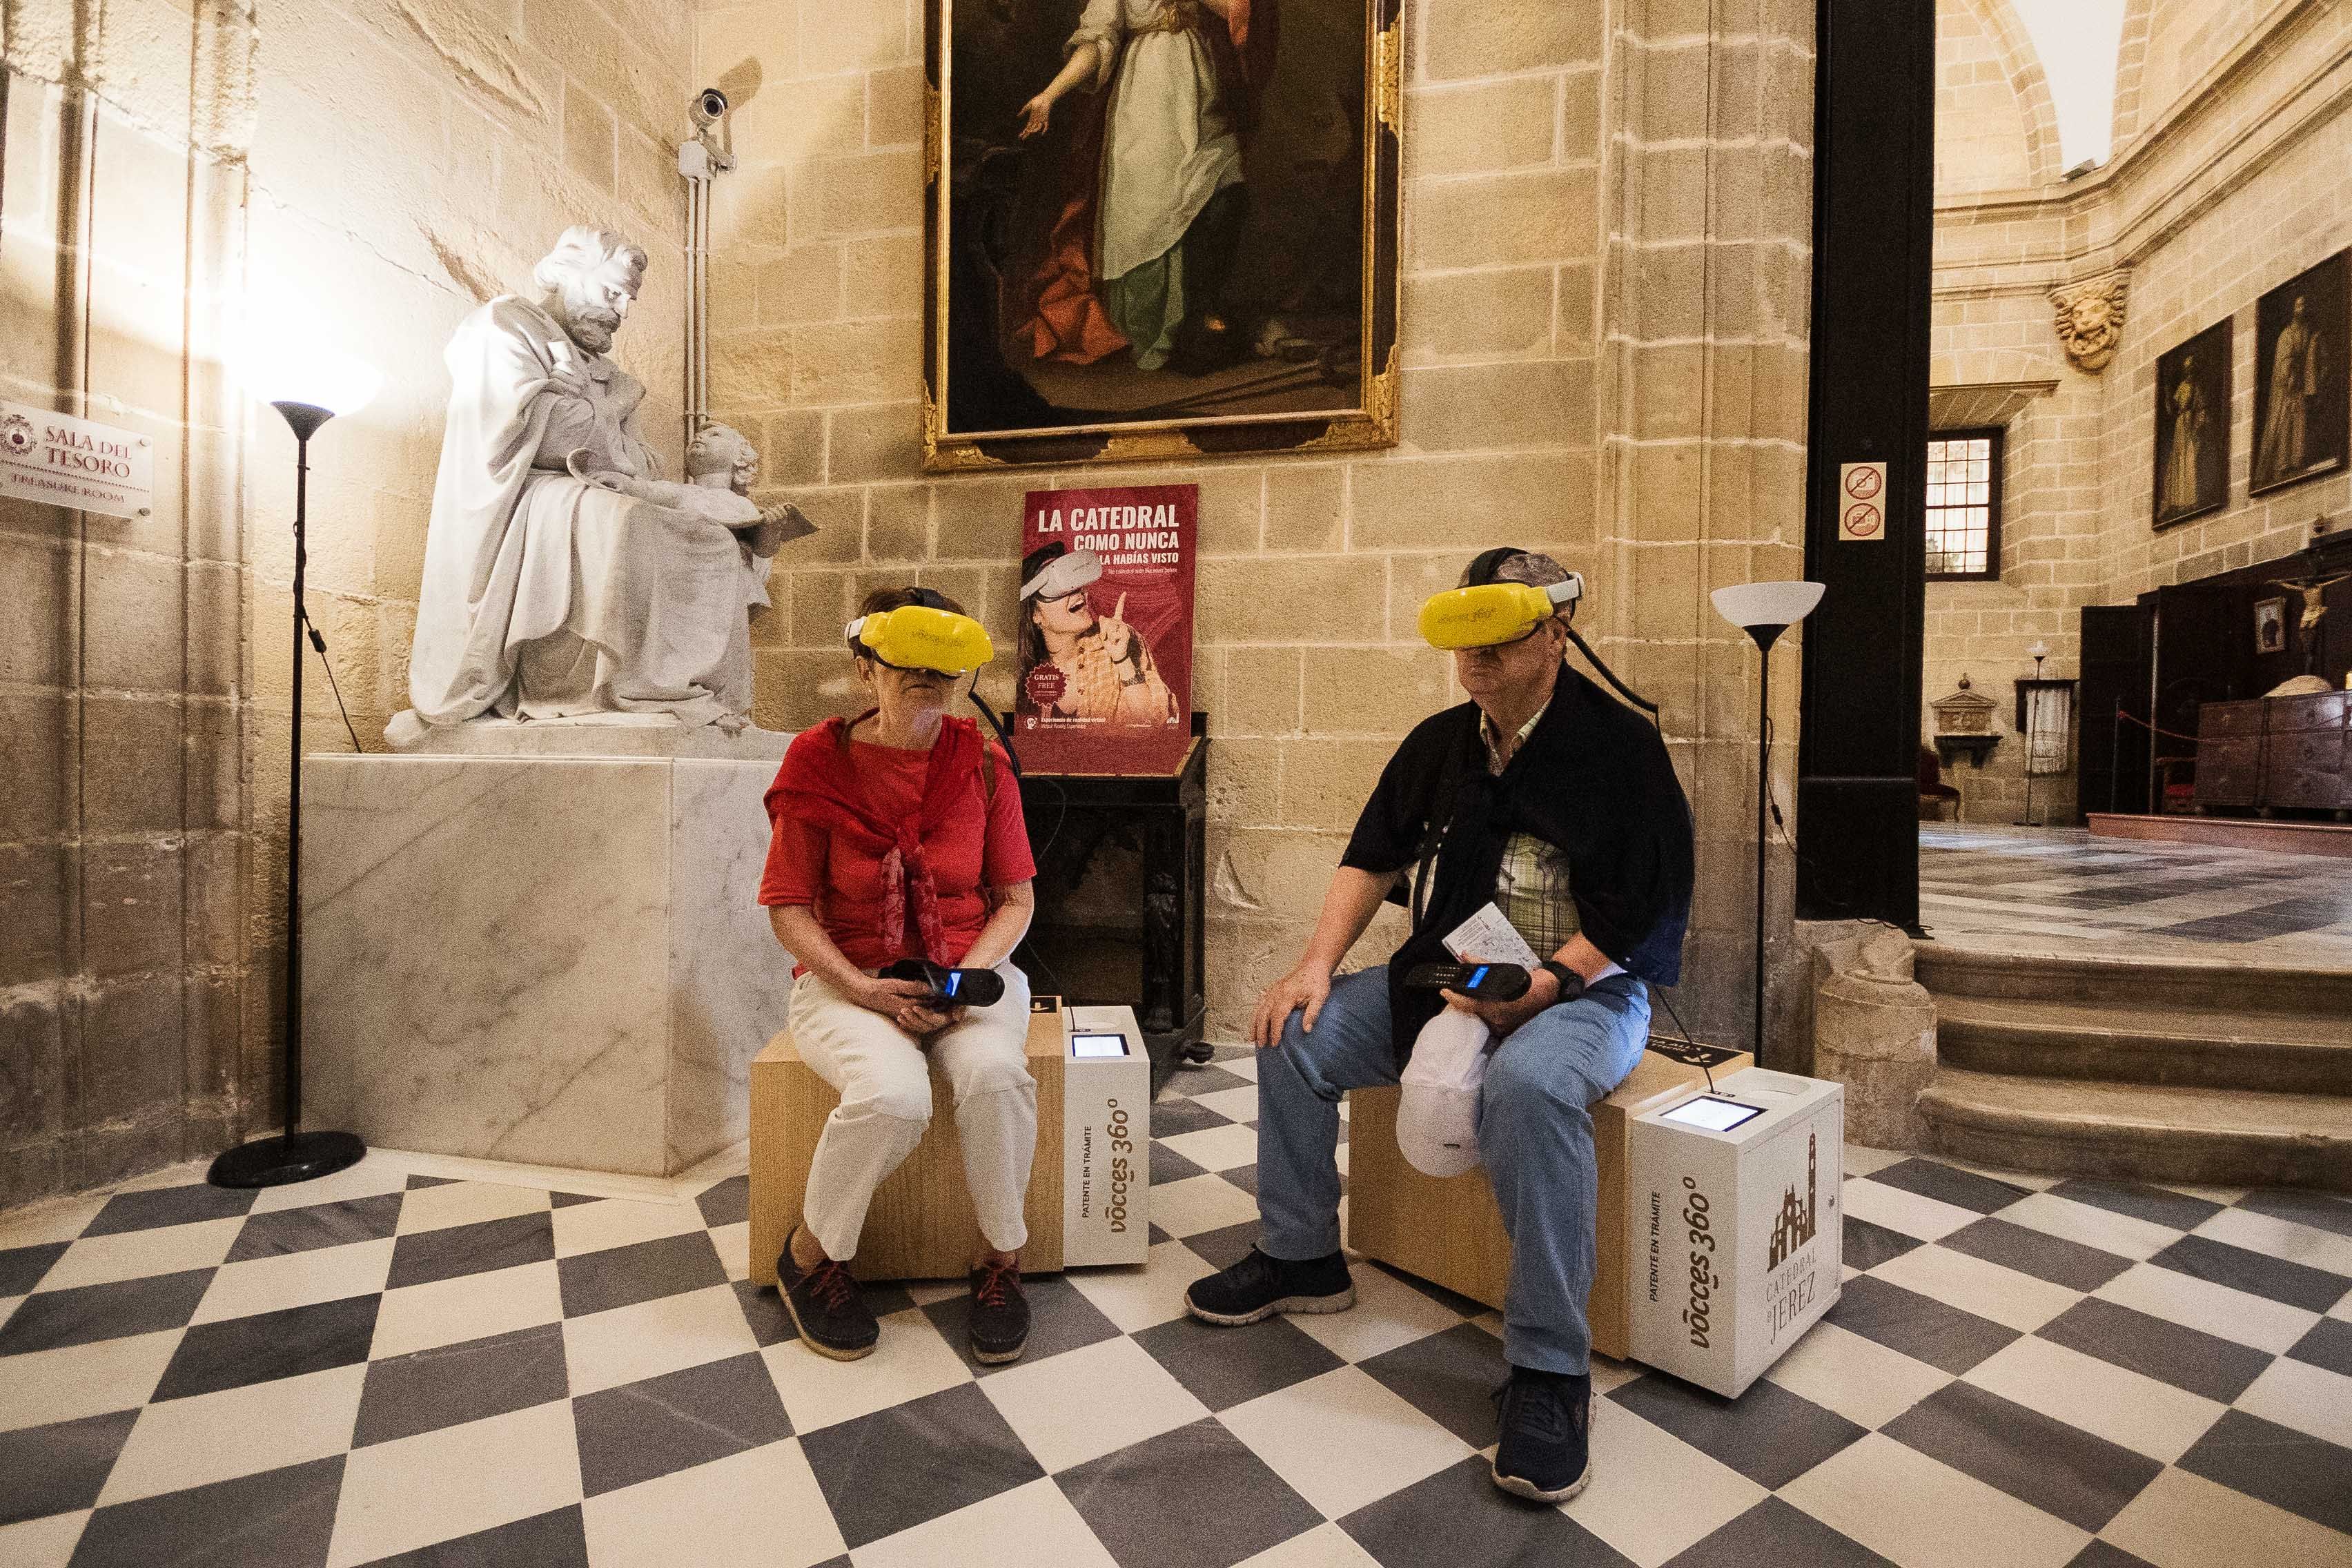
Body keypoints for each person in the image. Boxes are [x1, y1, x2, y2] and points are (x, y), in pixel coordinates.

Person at [1183, 548, 1694, 1504]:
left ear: (1555, 633)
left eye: (1498, 638)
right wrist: (1313, 968)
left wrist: (1546, 986)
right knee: (1294, 1036)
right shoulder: (1441, 741)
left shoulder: (1621, 748)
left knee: (1531, 1085)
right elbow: (1370, 858)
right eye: (1463, 639)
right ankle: (1301, 1254)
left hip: (1587, 991)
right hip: (1453, 979)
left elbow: (1646, 911)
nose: (1474, 659)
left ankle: (1548, 1370)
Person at [758, 587, 1041, 1364]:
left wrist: (963, 982)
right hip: (851, 975)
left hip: (968, 969)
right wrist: (862, 987)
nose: (924, 674)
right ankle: (812, 1255)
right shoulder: (818, 760)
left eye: (939, 664)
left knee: (994, 1075)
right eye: (904, 660)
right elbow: (787, 907)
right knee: (892, 1094)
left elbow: (1015, 901)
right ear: (864, 668)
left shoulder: (982, 762)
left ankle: (1002, 1260)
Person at [400, 228, 793, 739]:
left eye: (628, 300)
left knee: (712, 540)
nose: (621, 311)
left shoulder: (604, 370)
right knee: (626, 523)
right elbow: (544, 436)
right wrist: (611, 408)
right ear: (567, 274)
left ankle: (678, 687)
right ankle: (594, 687)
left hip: (594, 486)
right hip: (525, 493)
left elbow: (641, 461)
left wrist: (587, 412)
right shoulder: (504, 326)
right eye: (611, 292)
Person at [1013, 0, 1276, 374]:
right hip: (1146, 98)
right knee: (1152, 211)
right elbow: (1097, 41)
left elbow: (1240, 13)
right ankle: (1168, 331)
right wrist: (1050, 95)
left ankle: (1201, 311)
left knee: (1227, 194)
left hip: (1202, 90)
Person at [1019, 543, 1177, 724]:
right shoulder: (1027, 670)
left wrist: (1122, 660)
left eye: (1074, 580)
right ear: (1035, 615)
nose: (1075, 589)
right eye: (1057, 586)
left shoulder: (1120, 640)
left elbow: (1155, 724)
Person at [2256, 294, 2320, 487]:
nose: (2302, 308)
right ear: (2293, 309)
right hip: (2287, 386)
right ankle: (2283, 463)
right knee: (2285, 422)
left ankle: (2296, 460)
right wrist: (2290, 374)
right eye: (2299, 304)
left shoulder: (2307, 332)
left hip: (2300, 382)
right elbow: (2285, 358)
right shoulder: (2287, 334)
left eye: (2304, 305)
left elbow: (2308, 355)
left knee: (2299, 419)